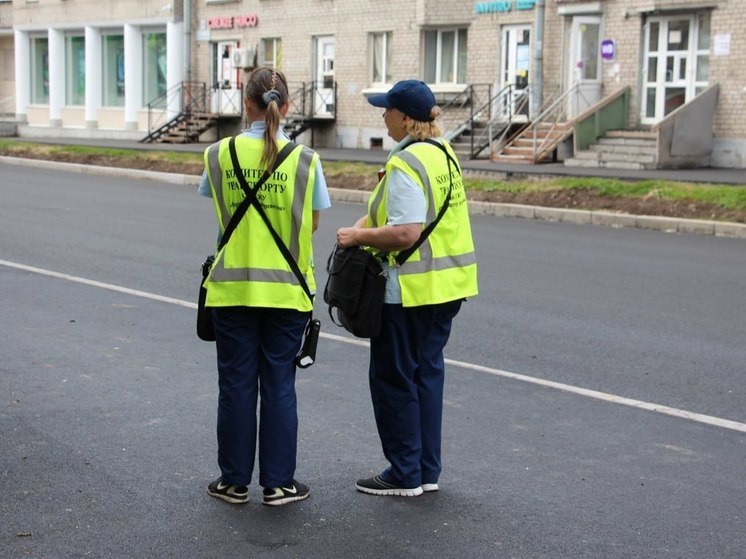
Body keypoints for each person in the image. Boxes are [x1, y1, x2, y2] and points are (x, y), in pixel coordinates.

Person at [336, 80, 478, 497]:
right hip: (447, 288)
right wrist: (369, 222)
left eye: (387, 110)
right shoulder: (443, 155)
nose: (383, 116)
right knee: (426, 377)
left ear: (403, 117)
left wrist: (356, 237)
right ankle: (426, 470)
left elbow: (405, 233)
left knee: (394, 379)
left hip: (409, 292)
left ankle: (403, 473)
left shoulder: (405, 165)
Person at [199, 67, 331, 506]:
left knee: (236, 386)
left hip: (232, 291)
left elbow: (220, 212)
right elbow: (310, 224)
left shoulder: (217, 155)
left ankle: (234, 482)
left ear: (246, 105)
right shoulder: (307, 161)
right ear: (287, 107)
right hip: (287, 293)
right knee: (279, 386)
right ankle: (279, 484)